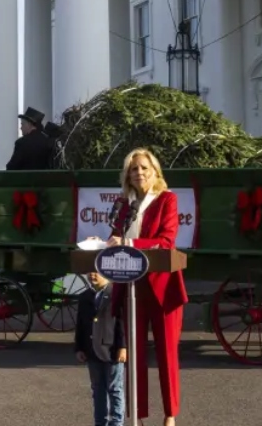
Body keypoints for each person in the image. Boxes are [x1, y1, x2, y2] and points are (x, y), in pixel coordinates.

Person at [106, 148, 186, 426]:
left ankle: (170, 414)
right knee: (134, 354)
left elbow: (166, 240)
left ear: (155, 171)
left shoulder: (167, 200)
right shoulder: (124, 204)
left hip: (162, 287)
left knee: (166, 354)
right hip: (131, 287)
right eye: (133, 169)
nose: (138, 173)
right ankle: (137, 416)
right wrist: (103, 242)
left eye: (143, 168)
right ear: (127, 175)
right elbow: (115, 235)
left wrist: (129, 244)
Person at [74, 271, 127, 426]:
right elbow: (80, 325)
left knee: (115, 389)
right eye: (89, 272)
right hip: (91, 350)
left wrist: (123, 346)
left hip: (111, 350)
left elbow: (122, 322)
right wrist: (79, 348)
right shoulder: (84, 297)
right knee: (97, 389)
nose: (92, 275)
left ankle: (117, 422)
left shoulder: (115, 294)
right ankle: (100, 422)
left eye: (96, 272)